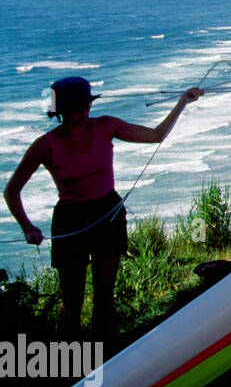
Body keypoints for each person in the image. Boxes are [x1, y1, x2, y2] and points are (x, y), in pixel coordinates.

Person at [5, 77, 203, 336]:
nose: (82, 113)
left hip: (107, 213)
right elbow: (12, 190)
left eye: (86, 106)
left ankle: (107, 355)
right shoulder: (45, 145)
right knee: (71, 304)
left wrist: (183, 102)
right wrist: (27, 227)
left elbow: (156, 135)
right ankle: (66, 364)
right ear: (59, 112)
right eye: (74, 109)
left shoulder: (106, 125)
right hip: (70, 220)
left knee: (104, 296)